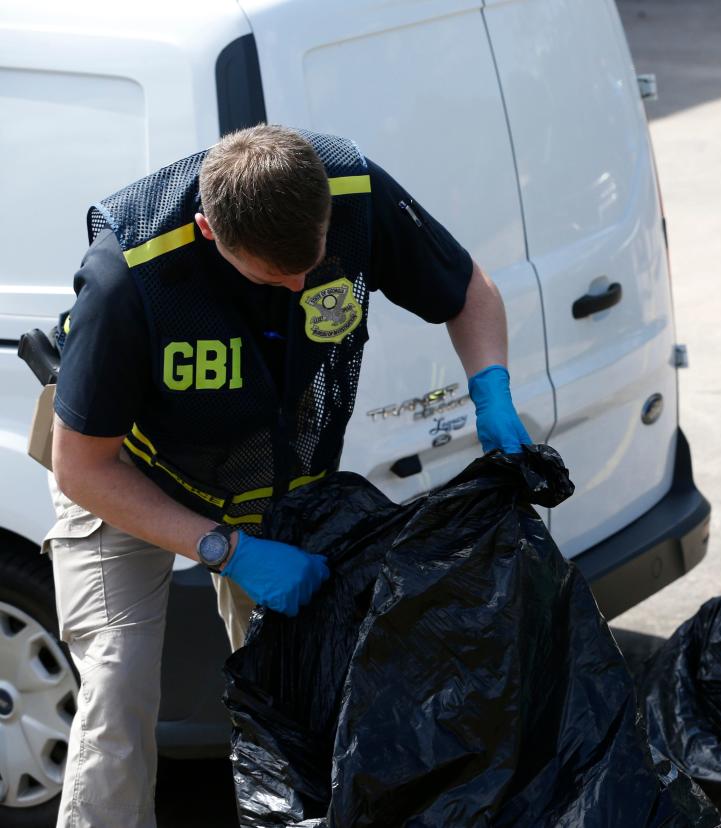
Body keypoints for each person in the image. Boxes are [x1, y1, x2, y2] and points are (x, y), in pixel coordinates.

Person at [44, 124, 532, 827]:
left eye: (313, 263)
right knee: (117, 691)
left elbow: (469, 292)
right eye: (276, 277)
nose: (303, 286)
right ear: (211, 232)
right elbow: (81, 467)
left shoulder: (353, 191)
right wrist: (226, 551)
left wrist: (491, 387)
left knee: (298, 683)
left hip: (270, 483)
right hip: (127, 477)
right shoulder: (131, 275)